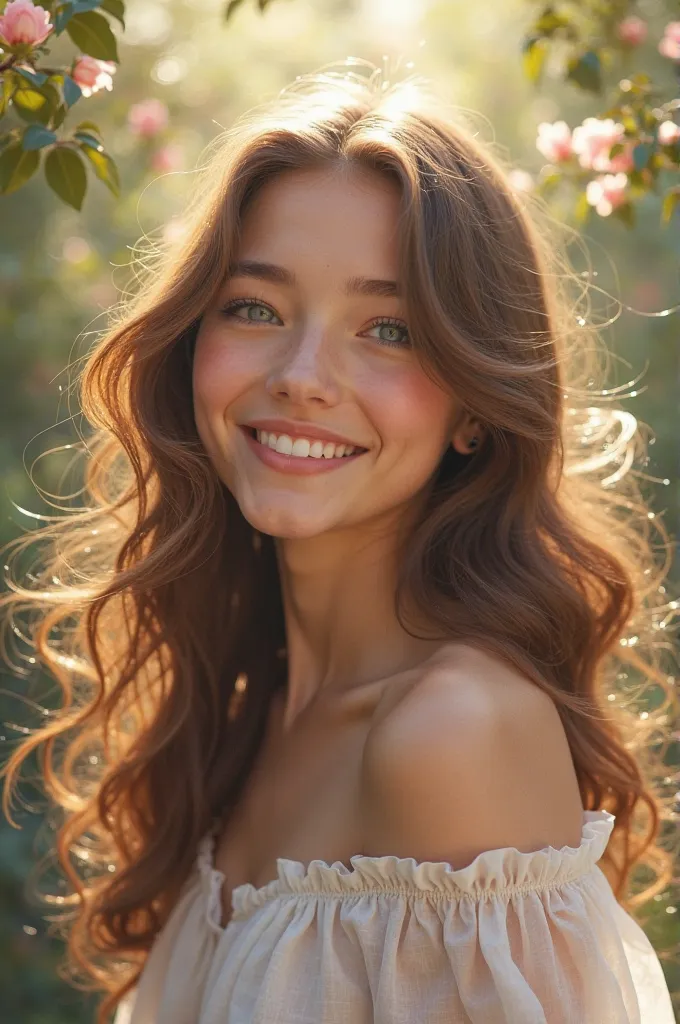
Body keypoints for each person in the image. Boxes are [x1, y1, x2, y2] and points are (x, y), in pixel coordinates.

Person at [1, 64, 677, 1024]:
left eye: (389, 328)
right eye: (255, 308)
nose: (304, 376)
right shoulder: (253, 707)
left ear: (475, 409)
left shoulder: (452, 733)